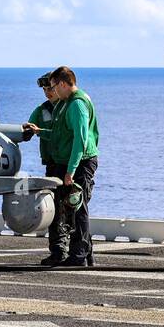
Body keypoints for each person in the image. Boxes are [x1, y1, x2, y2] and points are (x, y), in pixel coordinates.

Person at [47, 66, 100, 268]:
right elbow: (63, 134)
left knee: (78, 208)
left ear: (62, 83)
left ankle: (79, 256)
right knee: (76, 208)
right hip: (74, 161)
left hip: (81, 162)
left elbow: (81, 140)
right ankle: (86, 256)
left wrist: (71, 170)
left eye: (54, 86)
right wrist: (40, 131)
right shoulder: (67, 103)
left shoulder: (77, 104)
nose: (53, 91)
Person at [21, 73, 71, 265]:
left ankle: (75, 251)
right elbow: (27, 130)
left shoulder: (69, 108)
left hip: (69, 163)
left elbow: (64, 136)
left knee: (70, 208)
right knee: (56, 208)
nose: (47, 92)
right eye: (44, 89)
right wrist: (25, 131)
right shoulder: (42, 110)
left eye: (50, 88)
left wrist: (40, 132)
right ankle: (58, 251)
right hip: (53, 164)